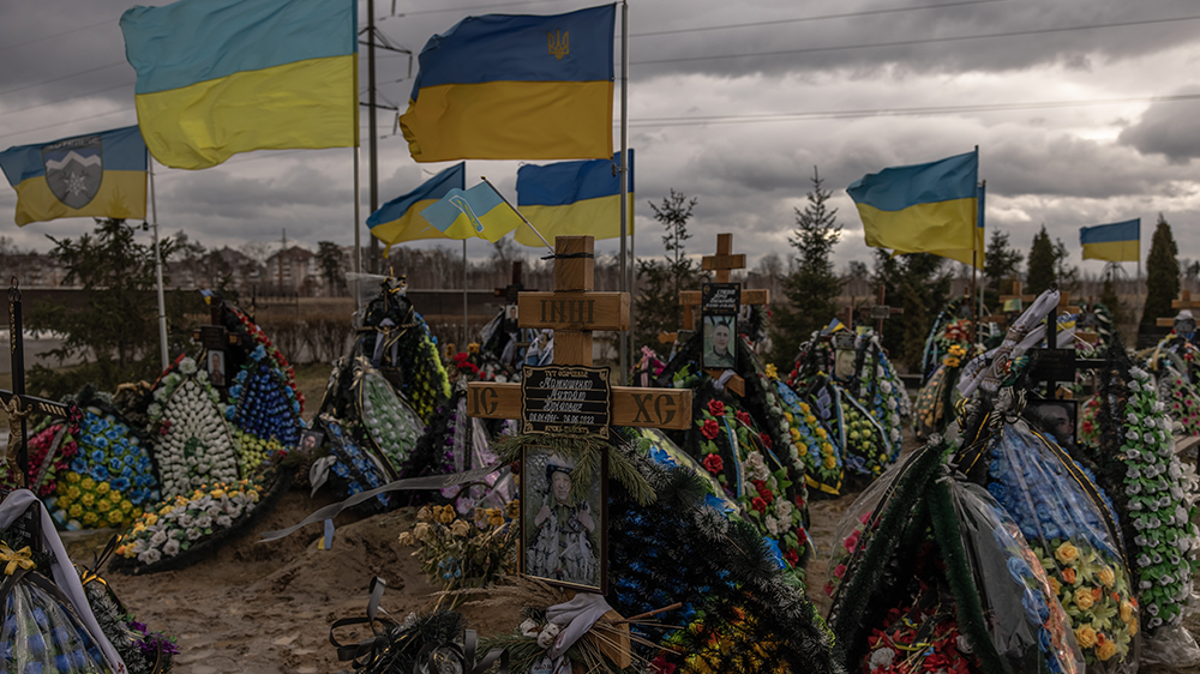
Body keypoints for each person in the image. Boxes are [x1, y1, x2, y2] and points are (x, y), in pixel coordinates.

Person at [526, 456, 598, 586]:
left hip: (578, 587)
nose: (561, 485)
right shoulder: (539, 505)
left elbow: (601, 552)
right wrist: (537, 520)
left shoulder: (585, 508)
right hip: (544, 584)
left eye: (566, 480)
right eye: (556, 479)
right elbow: (523, 542)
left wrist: (591, 527)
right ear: (551, 483)